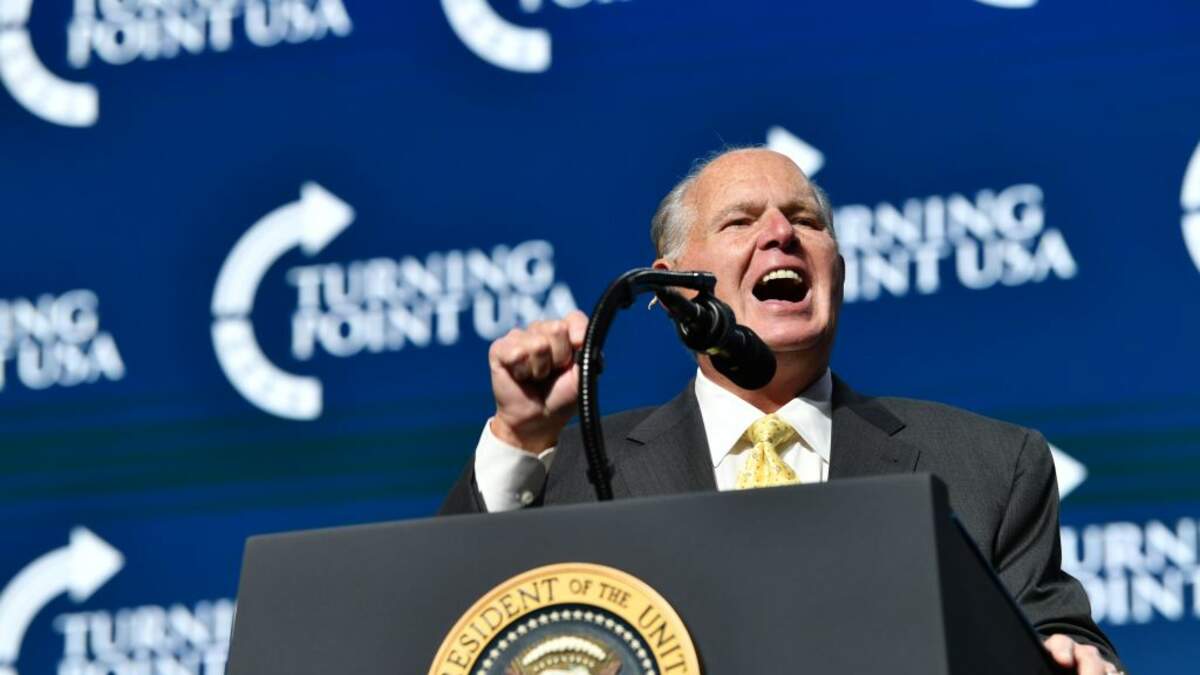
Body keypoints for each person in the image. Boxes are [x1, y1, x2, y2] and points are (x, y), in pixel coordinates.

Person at [441, 148, 1121, 674]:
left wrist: (1074, 661)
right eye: (740, 221)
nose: (780, 234)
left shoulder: (989, 465)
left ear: (838, 271)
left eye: (806, 221)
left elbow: (1057, 637)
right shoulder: (578, 470)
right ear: (674, 290)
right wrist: (521, 438)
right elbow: (446, 623)